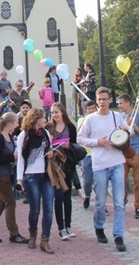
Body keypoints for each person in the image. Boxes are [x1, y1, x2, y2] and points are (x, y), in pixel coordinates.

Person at [77, 86, 130, 252]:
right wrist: (97, 142)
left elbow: (128, 132)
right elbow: (80, 138)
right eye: (99, 99)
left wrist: (125, 131)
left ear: (110, 100)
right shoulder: (91, 119)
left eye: (104, 99)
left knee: (119, 202)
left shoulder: (117, 116)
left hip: (117, 162)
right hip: (100, 164)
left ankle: (119, 235)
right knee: (100, 202)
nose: (101, 102)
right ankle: (99, 226)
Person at [0, 112, 29, 244]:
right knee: (10, 202)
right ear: (9, 123)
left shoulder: (9, 136)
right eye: (15, 122)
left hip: (7, 173)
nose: (17, 125)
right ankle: (14, 233)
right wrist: (12, 157)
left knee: (1, 202)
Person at [16, 108, 55, 254]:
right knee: (35, 209)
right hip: (31, 176)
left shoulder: (46, 134)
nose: (45, 120)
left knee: (48, 209)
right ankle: (32, 234)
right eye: (43, 118)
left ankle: (45, 240)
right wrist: (19, 179)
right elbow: (20, 158)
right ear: (36, 119)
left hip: (46, 175)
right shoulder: (24, 136)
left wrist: (51, 153)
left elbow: (49, 150)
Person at [47, 102, 77, 241]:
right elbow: (45, 145)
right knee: (58, 196)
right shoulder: (49, 127)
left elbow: (75, 145)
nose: (55, 115)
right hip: (55, 165)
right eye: (53, 113)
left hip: (68, 163)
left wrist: (69, 145)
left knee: (67, 195)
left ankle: (68, 225)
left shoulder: (70, 127)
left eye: (57, 112)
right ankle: (61, 228)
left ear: (62, 113)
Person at [117, 94, 139, 219]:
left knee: (138, 181)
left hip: (137, 151)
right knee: (121, 180)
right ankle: (122, 201)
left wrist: (132, 125)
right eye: (118, 103)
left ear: (128, 103)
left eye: (121, 103)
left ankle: (138, 207)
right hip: (123, 151)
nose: (119, 106)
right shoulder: (119, 117)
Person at [78, 100, 97, 210]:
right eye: (89, 109)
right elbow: (80, 134)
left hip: (97, 154)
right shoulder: (82, 120)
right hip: (86, 154)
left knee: (98, 180)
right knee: (87, 180)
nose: (91, 110)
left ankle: (100, 203)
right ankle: (87, 196)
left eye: (93, 108)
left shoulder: (99, 120)